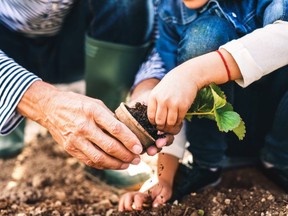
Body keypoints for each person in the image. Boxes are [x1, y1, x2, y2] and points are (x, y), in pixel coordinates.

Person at [118, 0, 288, 211]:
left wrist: (195, 72)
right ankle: (207, 166)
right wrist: (163, 178)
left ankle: (279, 160)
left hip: (278, 128)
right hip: (216, 140)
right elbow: (171, 98)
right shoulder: (170, 13)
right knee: (206, 33)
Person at [0, 1, 173, 170]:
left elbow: (164, 19)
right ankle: (6, 123)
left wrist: (148, 84)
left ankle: (106, 141)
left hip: (76, 42)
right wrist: (43, 102)